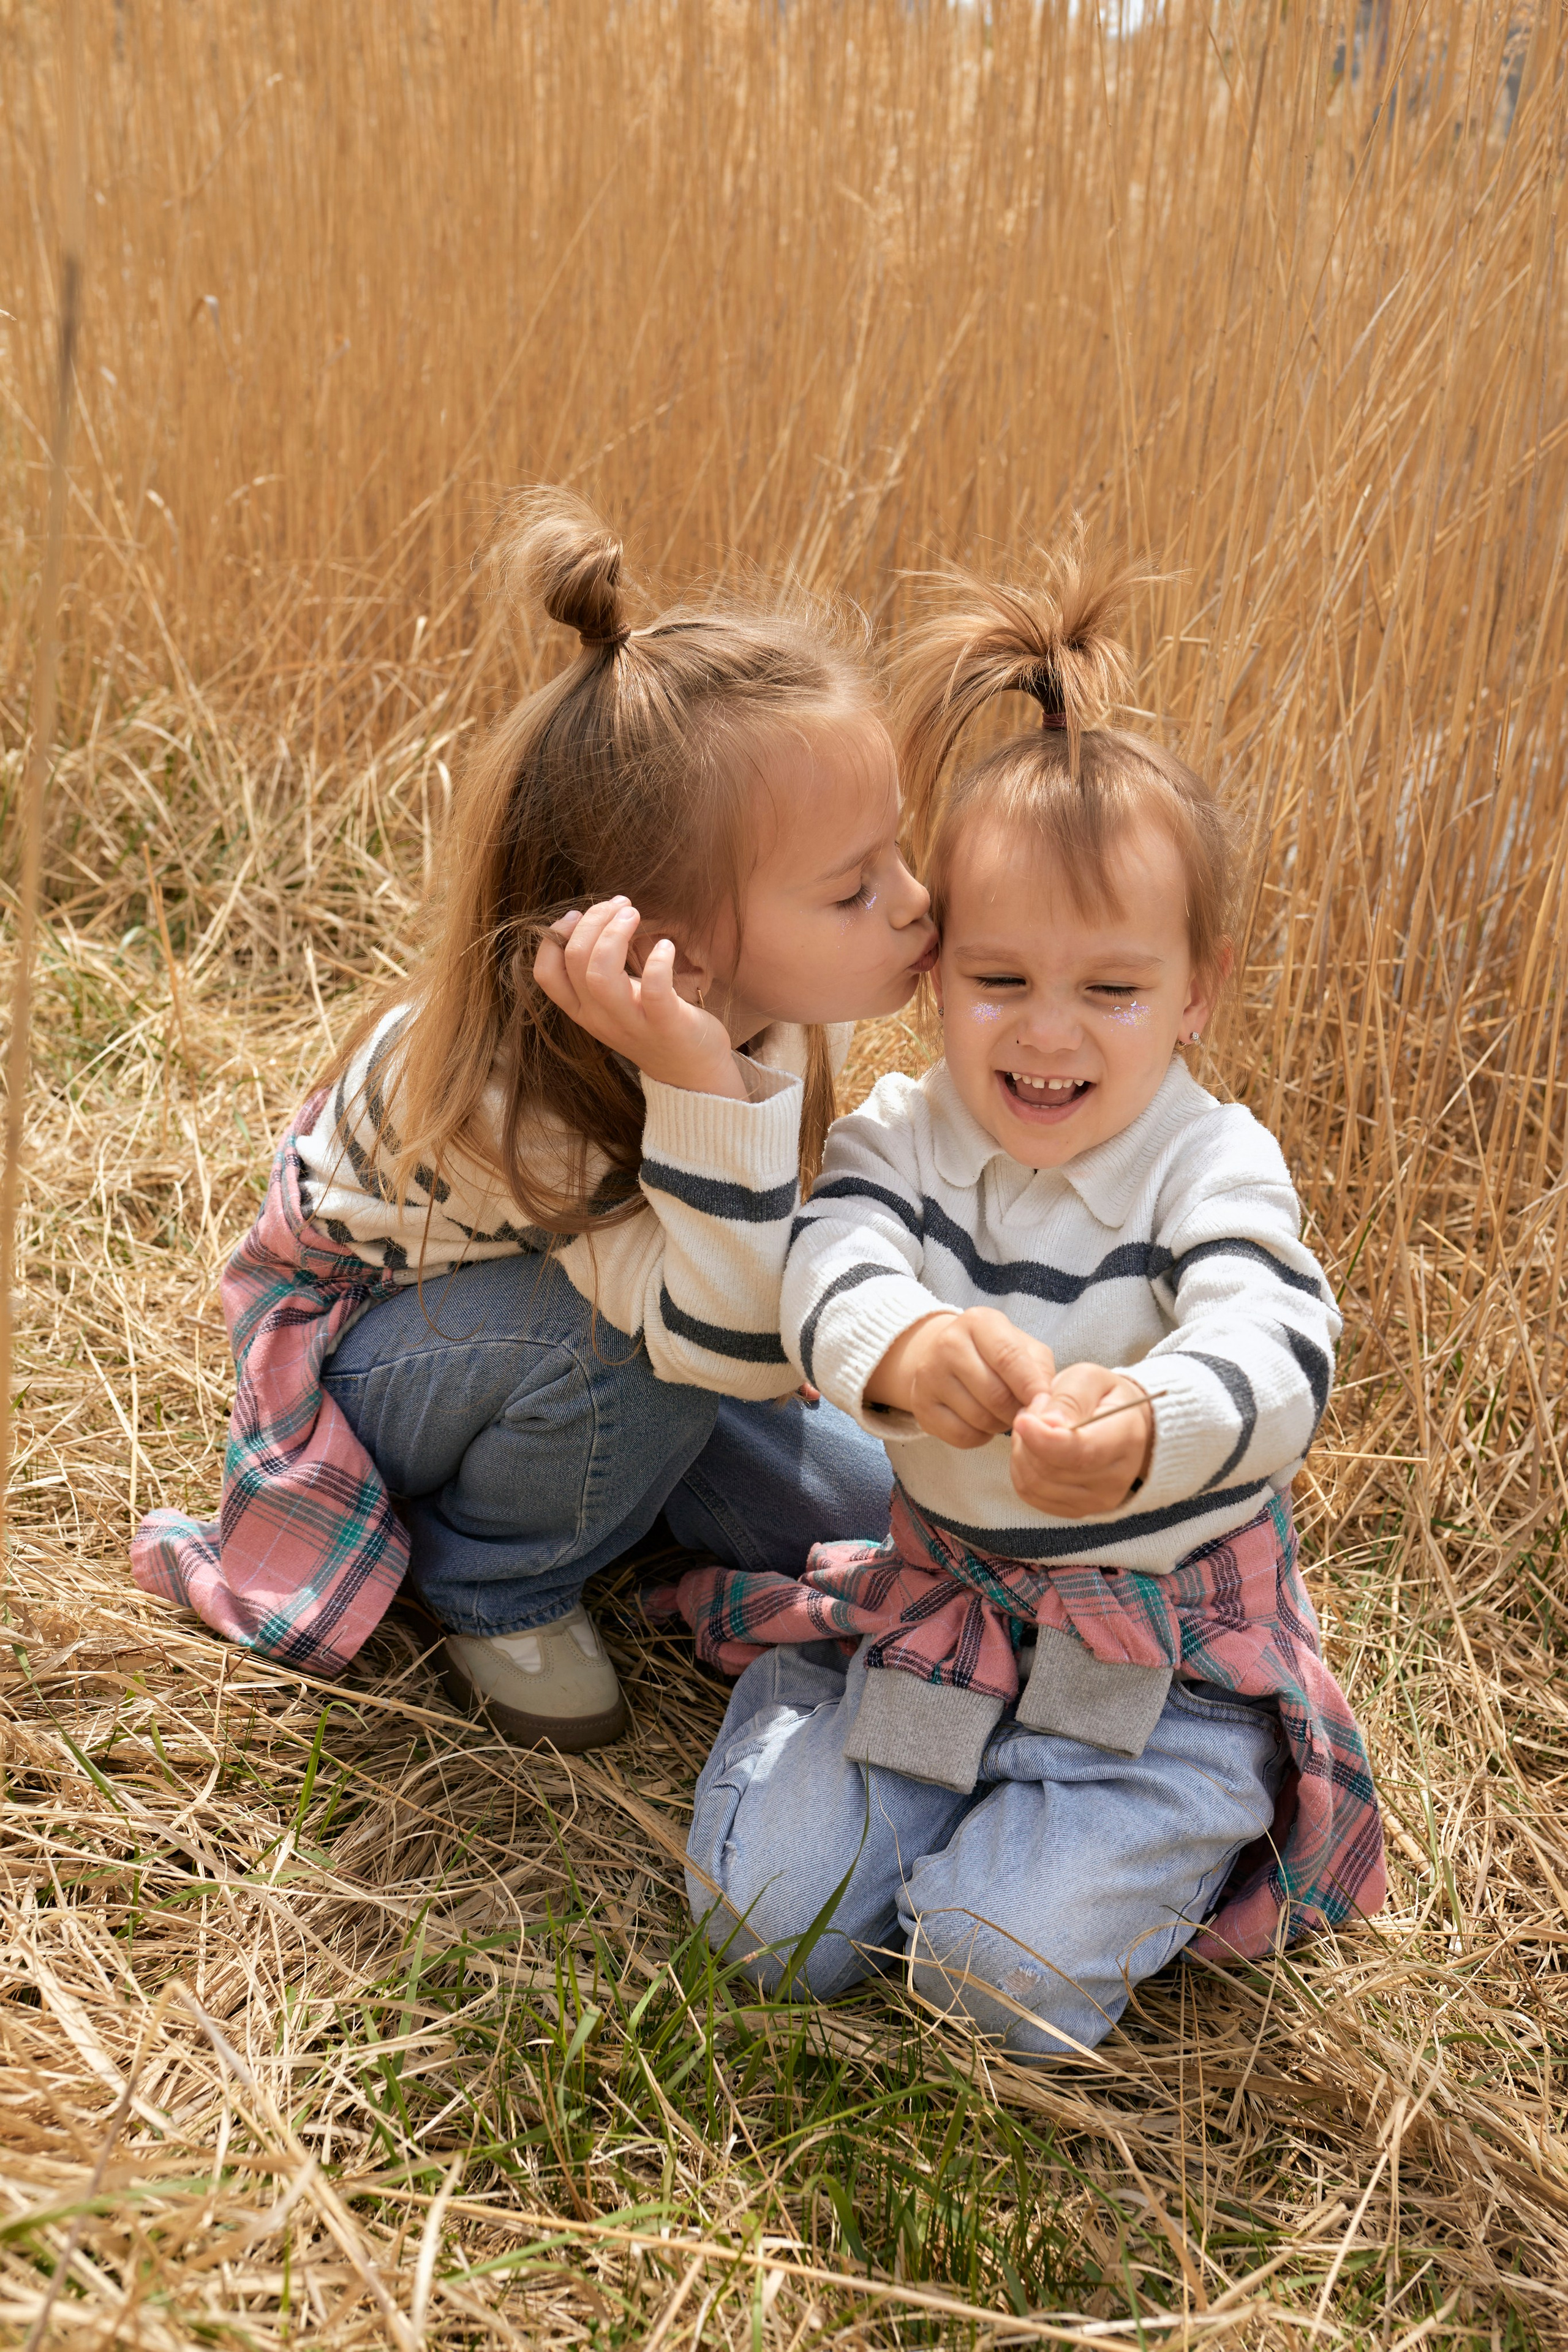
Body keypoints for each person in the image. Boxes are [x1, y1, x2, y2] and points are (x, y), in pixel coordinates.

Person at [669, 545, 1386, 2056]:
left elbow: (1277, 1342)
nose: (1046, 1035)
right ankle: (867, 1726)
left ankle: (1198, 1790)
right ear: (933, 975)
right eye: (998, 980)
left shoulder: (1209, 1161)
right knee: (768, 1928)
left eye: (1109, 991)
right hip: (949, 1608)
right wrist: (907, 1349)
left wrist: (1143, 1419)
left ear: (1196, 991)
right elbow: (830, 1269)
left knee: (988, 1976)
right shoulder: (898, 1139)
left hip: (1151, 1667)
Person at [132, 489, 937, 1748]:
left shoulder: (756, 1000)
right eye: (853, 889)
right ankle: (496, 1587)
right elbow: (719, 1345)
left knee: (863, 1507)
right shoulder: (522, 1100)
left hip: (631, 1306)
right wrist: (695, 1087)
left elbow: (762, 1292)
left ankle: (602, 1490)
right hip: (388, 1358)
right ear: (670, 954)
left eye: (897, 854)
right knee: (630, 1363)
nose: (914, 902)